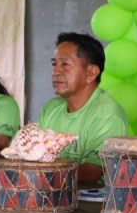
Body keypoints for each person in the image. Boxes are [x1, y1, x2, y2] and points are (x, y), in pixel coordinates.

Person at [39, 32, 128, 186]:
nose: (56, 72)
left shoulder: (108, 114)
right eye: (54, 64)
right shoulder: (51, 108)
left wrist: (38, 168)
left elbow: (91, 173)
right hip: (50, 194)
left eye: (65, 64)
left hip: (92, 205)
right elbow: (34, 151)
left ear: (91, 73)